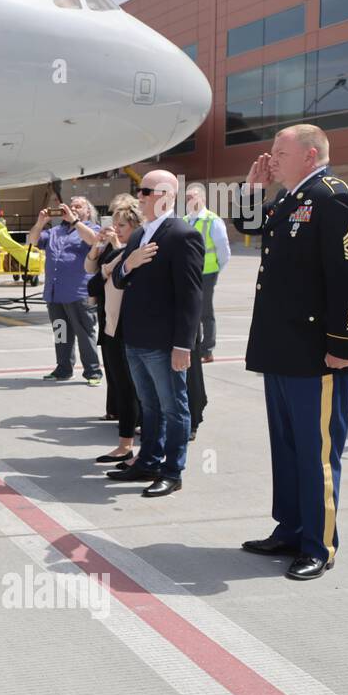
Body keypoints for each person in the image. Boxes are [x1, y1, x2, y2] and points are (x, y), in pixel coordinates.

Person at [235, 124, 348, 580]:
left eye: (280, 152)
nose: (271, 158)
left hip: (316, 353)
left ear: (310, 155)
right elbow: (251, 227)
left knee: (316, 453)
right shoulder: (293, 196)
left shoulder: (333, 197)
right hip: (282, 348)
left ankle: (320, 544)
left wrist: (342, 344)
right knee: (288, 447)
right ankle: (290, 528)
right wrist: (252, 191)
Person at [106, 170, 203, 498]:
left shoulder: (182, 234)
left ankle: (172, 471)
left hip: (164, 342)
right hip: (135, 338)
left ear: (165, 194)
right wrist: (128, 263)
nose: (140, 196)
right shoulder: (137, 237)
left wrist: (182, 344)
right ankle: (148, 461)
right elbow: (118, 280)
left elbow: (191, 296)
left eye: (144, 191)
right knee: (149, 405)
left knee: (174, 407)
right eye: (139, 190)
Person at [85, 195, 142, 465]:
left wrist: (108, 268)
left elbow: (99, 282)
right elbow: (92, 282)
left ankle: (130, 445)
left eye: (122, 225)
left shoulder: (136, 252)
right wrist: (102, 250)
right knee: (120, 386)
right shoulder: (118, 250)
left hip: (129, 328)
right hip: (111, 325)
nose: (116, 229)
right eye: (115, 224)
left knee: (131, 388)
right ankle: (124, 444)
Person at [25, 195, 102, 385]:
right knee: (61, 333)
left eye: (78, 206)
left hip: (78, 292)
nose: (73, 208)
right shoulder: (55, 232)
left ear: (88, 212)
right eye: (71, 205)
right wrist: (40, 222)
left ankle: (93, 372)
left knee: (84, 334)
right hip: (55, 293)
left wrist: (75, 221)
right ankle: (63, 368)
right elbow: (32, 240)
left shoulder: (92, 228)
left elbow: (93, 241)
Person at [183, 183, 230, 363]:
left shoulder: (213, 220)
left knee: (205, 312)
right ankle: (194, 347)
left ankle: (207, 350)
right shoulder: (186, 220)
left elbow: (223, 251)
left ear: (202, 199)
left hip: (207, 273)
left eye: (193, 197)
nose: (189, 201)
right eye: (187, 198)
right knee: (190, 311)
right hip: (189, 274)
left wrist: (216, 269)